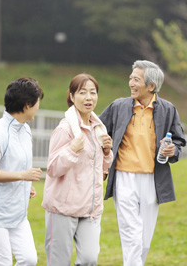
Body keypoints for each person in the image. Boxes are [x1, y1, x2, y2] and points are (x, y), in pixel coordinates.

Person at [99, 60, 186, 266]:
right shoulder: (118, 106)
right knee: (131, 234)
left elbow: (179, 141)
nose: (130, 83)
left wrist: (173, 149)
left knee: (144, 240)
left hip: (152, 179)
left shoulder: (168, 109)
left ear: (151, 86)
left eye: (136, 79)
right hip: (124, 177)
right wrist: (103, 145)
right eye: (131, 78)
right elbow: (98, 129)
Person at [42, 74, 113, 266]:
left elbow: (101, 171)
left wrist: (107, 152)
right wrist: (72, 149)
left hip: (90, 209)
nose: (89, 97)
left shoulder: (99, 129)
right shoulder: (65, 129)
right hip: (63, 208)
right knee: (59, 262)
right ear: (72, 97)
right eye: (82, 93)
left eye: (93, 92)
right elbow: (53, 168)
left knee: (90, 259)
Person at [0, 77, 44, 266]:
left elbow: (16, 165)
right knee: (2, 263)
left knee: (29, 259)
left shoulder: (25, 131)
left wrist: (25, 185)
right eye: (37, 103)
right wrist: (22, 176)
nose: (38, 107)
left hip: (17, 212)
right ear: (27, 105)